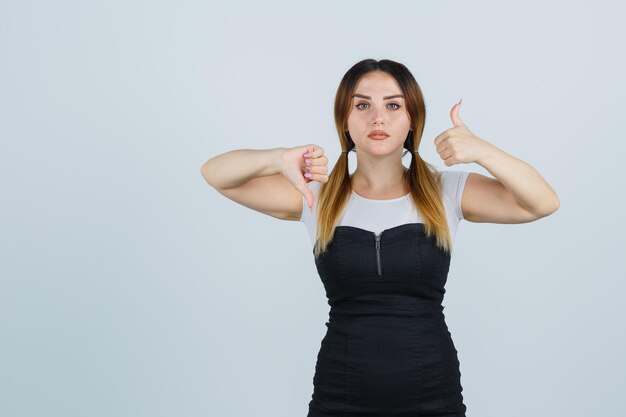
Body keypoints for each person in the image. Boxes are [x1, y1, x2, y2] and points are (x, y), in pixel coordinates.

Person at [200, 58, 560, 417]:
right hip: (338, 398)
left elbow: (543, 203)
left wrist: (482, 151)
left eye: (393, 105)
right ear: (344, 119)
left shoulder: (445, 191)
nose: (378, 118)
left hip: (433, 398)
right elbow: (215, 173)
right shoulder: (316, 197)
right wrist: (278, 158)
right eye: (362, 105)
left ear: (412, 119)